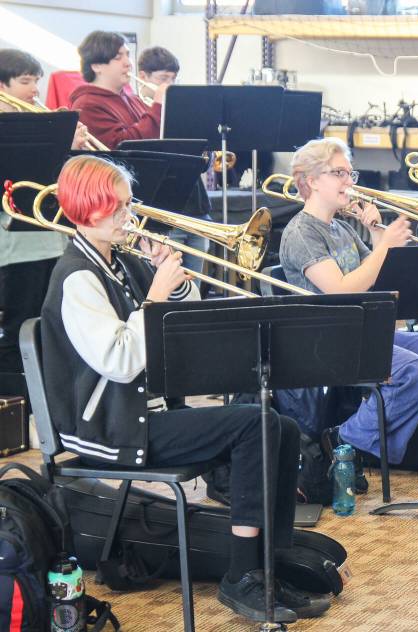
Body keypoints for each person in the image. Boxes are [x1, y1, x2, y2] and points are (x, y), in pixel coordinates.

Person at [38, 154, 325, 622]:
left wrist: (167, 280)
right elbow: (122, 359)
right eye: (118, 208)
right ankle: (239, 576)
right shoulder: (76, 278)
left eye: (129, 205)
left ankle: (268, 568)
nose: (129, 217)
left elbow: (178, 317)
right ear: (88, 209)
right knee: (256, 426)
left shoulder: (118, 262)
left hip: (140, 414)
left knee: (284, 428)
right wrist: (153, 299)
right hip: (107, 427)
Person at [277, 137, 418, 490]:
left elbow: (377, 279)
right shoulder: (300, 233)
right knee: (416, 372)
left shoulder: (340, 227)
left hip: (362, 331)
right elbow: (341, 290)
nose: (349, 181)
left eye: (349, 172)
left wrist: (374, 234)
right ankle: (344, 440)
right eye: (338, 173)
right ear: (310, 181)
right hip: (325, 339)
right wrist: (383, 247)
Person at [0, 49, 88, 374]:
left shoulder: (38, 126)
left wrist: (70, 150)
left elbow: (57, 182)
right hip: (14, 250)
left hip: (53, 241)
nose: (34, 89)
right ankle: (17, 410)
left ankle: (47, 404)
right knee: (18, 330)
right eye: (25, 81)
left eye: (36, 80)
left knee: (52, 328)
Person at [70, 31, 167, 150]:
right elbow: (121, 146)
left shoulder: (133, 99)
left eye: (128, 55)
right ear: (96, 66)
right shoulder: (87, 105)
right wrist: (158, 107)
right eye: (118, 57)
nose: (128, 63)